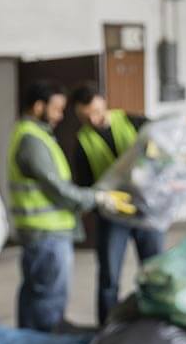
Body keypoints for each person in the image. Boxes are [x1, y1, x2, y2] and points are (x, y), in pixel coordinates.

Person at [8, 80, 134, 332]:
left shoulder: (34, 135)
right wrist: (97, 198)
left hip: (43, 233)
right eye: (56, 109)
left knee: (34, 295)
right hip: (47, 234)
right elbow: (58, 189)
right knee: (49, 300)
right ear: (37, 106)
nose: (60, 115)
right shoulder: (32, 141)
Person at [69, 81, 162, 325]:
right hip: (113, 216)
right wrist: (101, 204)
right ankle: (106, 329)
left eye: (97, 112)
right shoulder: (82, 142)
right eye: (86, 116)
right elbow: (87, 185)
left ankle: (155, 324)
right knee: (109, 277)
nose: (94, 119)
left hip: (145, 211)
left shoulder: (134, 122)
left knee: (154, 272)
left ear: (105, 103)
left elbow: (164, 140)